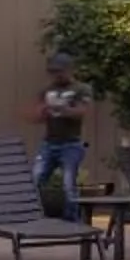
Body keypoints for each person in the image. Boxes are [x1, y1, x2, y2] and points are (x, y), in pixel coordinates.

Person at [32, 53, 89, 214]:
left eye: (60, 71)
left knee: (68, 183)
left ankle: (72, 220)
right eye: (53, 72)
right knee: (36, 177)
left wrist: (63, 109)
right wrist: (42, 112)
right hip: (49, 143)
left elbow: (81, 112)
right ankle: (33, 216)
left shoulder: (80, 89)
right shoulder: (46, 91)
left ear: (70, 70)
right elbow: (36, 116)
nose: (56, 75)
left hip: (71, 143)